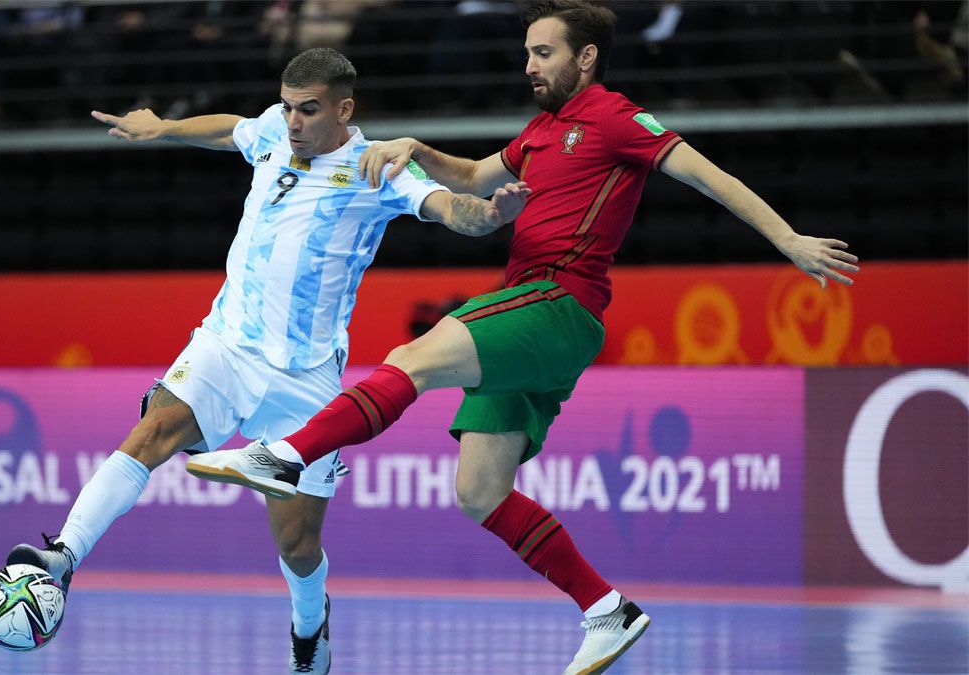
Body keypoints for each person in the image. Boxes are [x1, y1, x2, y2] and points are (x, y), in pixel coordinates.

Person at [186, 2, 860, 673]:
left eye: (543, 52)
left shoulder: (617, 119)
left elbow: (709, 176)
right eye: (528, 52)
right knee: (480, 491)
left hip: (558, 301)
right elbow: (475, 177)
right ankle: (607, 609)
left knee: (410, 358)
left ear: (585, 58)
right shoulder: (542, 129)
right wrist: (416, 148)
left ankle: (288, 455)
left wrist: (789, 239)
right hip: (531, 310)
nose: (529, 65)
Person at [5, 47, 529, 675]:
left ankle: (310, 625)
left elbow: (450, 208)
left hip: (306, 377)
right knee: (153, 430)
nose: (293, 122)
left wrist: (490, 215)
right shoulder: (276, 132)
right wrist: (165, 128)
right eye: (287, 108)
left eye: (308, 110)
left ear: (344, 109)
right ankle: (63, 556)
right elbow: (233, 129)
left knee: (297, 543)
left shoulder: (378, 167)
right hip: (226, 343)